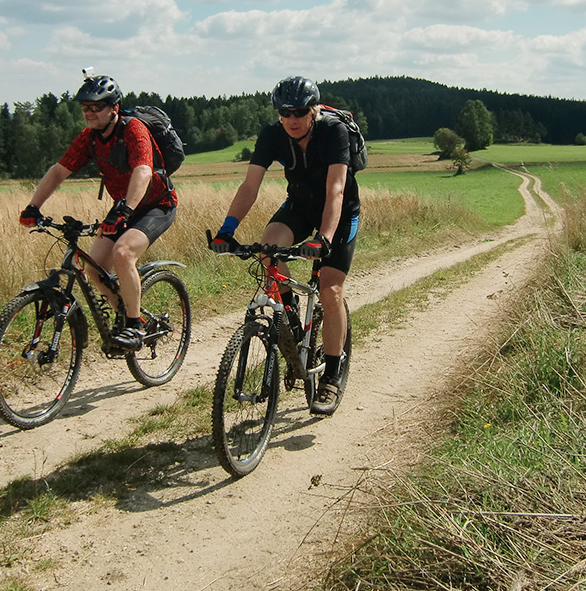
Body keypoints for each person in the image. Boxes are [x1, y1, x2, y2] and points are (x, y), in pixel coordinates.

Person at [209, 76, 360, 416]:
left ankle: (331, 376)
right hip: (300, 206)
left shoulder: (333, 132)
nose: (292, 119)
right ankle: (290, 313)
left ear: (313, 110)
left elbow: (336, 190)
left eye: (299, 112)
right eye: (284, 112)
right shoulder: (272, 134)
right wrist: (226, 230)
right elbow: (250, 187)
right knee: (268, 249)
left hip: (339, 213)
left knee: (330, 290)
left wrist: (324, 238)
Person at [19, 74, 178, 352]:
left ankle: (134, 327)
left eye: (96, 107)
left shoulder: (134, 129)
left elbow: (143, 171)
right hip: (124, 208)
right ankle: (125, 314)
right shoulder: (89, 138)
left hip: (157, 205)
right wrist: (34, 206)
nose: (90, 113)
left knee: (123, 253)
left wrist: (125, 210)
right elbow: (59, 171)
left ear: (114, 107)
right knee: (93, 267)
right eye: (85, 108)